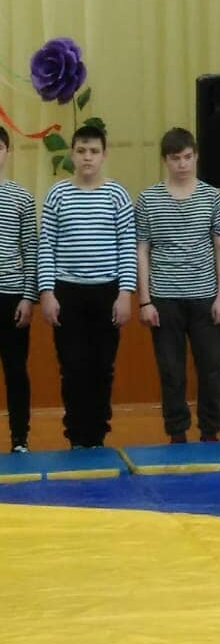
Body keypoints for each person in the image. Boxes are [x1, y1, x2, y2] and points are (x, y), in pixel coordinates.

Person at [38, 125, 136, 448]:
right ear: (72, 154)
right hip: (67, 291)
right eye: (81, 151)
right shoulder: (57, 194)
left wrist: (125, 293)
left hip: (107, 291)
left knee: (102, 366)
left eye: (94, 151)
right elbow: (46, 246)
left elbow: (127, 247)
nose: (87, 157)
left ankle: (97, 435)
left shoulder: (117, 195)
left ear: (104, 154)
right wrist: (47, 292)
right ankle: (76, 435)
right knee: (72, 367)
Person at [136, 128, 220, 443]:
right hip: (164, 298)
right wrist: (145, 301)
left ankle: (210, 431)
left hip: (206, 297)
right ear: (165, 160)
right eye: (175, 158)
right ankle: (177, 432)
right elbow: (142, 250)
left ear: (196, 156)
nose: (182, 164)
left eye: (188, 157)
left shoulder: (211, 196)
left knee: (211, 369)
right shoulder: (148, 199)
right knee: (171, 371)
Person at [0, 126, 37, 453]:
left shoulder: (21, 197)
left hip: (12, 296)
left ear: (6, 152)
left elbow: (31, 251)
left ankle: (20, 439)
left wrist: (28, 297)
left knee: (15, 370)